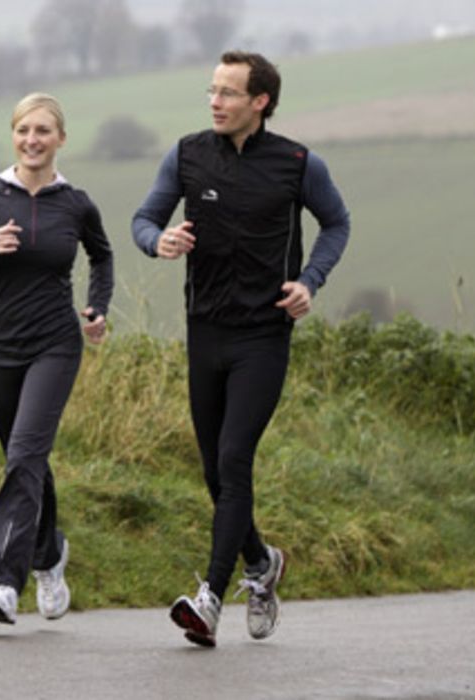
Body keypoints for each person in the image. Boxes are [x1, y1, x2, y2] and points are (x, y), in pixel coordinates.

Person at [131, 51, 351, 647]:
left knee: (233, 460)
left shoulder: (298, 164)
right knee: (212, 469)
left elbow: (337, 224)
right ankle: (262, 563)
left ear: (261, 102)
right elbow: (143, 219)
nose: (215, 101)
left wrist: (310, 281)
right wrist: (160, 240)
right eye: (212, 90)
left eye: (228, 93)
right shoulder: (186, 154)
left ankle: (209, 598)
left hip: (263, 335)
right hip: (205, 330)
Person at [0, 92, 113, 624]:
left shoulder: (76, 204)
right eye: (23, 131)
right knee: (25, 460)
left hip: (55, 344)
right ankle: (50, 552)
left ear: (60, 139)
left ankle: (0, 581)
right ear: (13, 136)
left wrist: (97, 308)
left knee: (25, 457)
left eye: (43, 131)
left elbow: (102, 256)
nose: (32, 140)